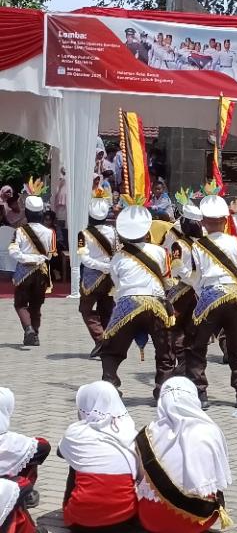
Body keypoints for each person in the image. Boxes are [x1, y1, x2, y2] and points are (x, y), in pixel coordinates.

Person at [187, 185, 237, 409]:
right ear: (225, 220)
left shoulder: (197, 246)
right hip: (234, 296)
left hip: (209, 296)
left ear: (203, 222)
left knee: (197, 347)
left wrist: (202, 294)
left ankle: (200, 394)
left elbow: (195, 278)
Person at [135, 377, 232, 533]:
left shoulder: (148, 432)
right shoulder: (210, 430)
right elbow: (217, 480)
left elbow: (139, 478)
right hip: (195, 516)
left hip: (151, 517)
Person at [101, 203, 174, 400]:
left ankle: (110, 383)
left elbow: (116, 285)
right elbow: (168, 281)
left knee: (111, 348)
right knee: (165, 349)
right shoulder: (160, 252)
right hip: (155, 303)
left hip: (127, 303)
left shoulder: (117, 257)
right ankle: (162, 388)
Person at [58, 381, 139, 531]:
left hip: (81, 522)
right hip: (124, 518)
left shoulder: (76, 433)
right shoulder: (131, 433)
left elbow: (60, 452)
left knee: (76, 463)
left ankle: (76, 504)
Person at [8, 180, 55, 347]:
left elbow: (13, 251)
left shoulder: (20, 231)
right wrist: (38, 259)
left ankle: (29, 329)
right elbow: (50, 254)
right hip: (41, 272)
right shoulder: (50, 233)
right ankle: (35, 335)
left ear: (26, 212)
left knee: (20, 303)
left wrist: (26, 258)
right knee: (36, 305)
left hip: (24, 272)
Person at [166, 194, 204, 374]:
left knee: (173, 328)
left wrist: (191, 281)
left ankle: (179, 364)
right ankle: (189, 364)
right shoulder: (202, 244)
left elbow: (177, 270)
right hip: (197, 292)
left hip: (182, 290)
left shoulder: (178, 245)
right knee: (191, 329)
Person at [77, 189, 117, 358]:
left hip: (91, 278)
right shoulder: (114, 232)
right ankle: (108, 342)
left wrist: (100, 266)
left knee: (86, 308)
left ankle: (101, 339)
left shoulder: (84, 234)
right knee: (106, 310)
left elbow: (84, 258)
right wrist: (107, 267)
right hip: (109, 277)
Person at [0, 388, 50, 509]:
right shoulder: (12, 441)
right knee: (29, 456)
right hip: (5, 488)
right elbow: (44, 447)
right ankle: (24, 496)